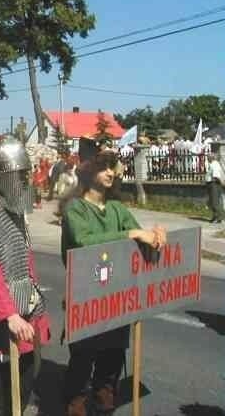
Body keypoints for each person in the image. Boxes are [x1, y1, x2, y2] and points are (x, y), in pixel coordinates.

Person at [61, 151, 166, 415]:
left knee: (113, 353)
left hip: (117, 295)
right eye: (104, 167)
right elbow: (84, 241)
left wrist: (155, 235)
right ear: (88, 171)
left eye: (113, 168)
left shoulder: (117, 209)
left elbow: (141, 236)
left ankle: (104, 395)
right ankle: (76, 400)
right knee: (84, 355)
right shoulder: (75, 209)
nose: (111, 173)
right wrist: (130, 233)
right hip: (86, 293)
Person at [0, 135, 51, 415]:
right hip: (2, 320)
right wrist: (9, 314)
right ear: (4, 176)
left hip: (24, 310)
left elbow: (24, 262)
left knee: (23, 387)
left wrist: (34, 305)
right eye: (21, 175)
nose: (26, 181)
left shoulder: (14, 210)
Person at [206, 153, 225, 224]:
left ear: (212, 158)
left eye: (208, 157)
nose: (207, 159)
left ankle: (219, 218)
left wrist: (221, 183)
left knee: (215, 202)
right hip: (211, 184)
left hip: (214, 184)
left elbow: (216, 176)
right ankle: (214, 217)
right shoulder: (212, 164)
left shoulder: (215, 165)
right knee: (212, 202)